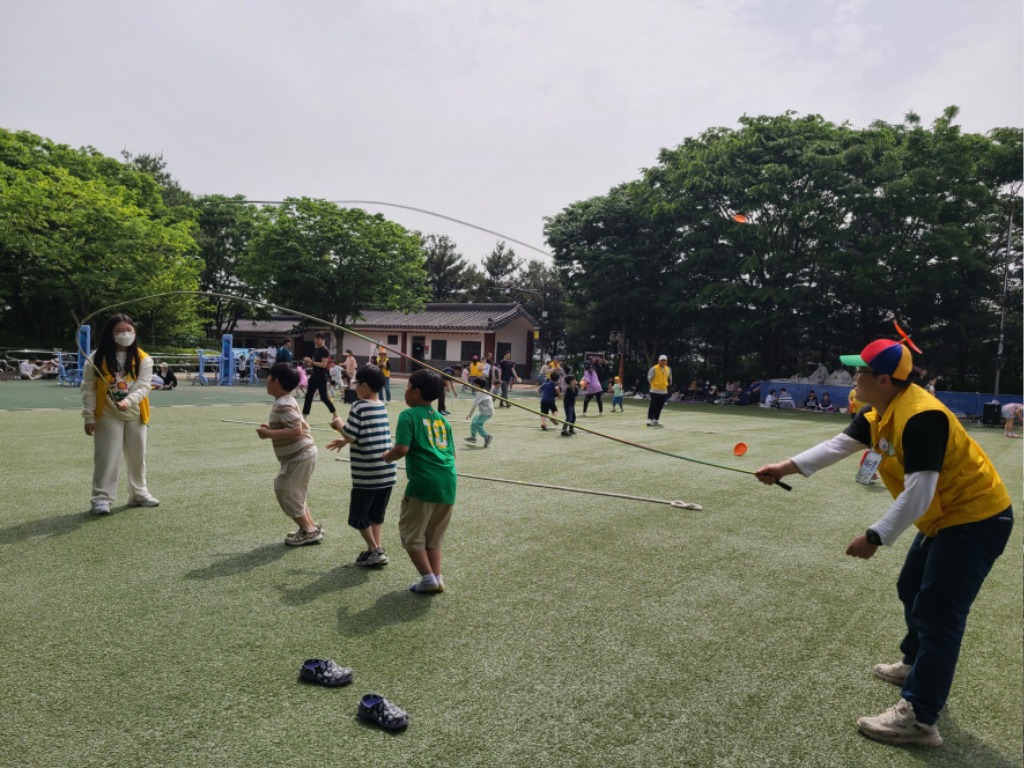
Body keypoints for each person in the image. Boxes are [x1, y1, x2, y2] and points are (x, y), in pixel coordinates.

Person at [755, 338, 1013, 748]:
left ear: (883, 379)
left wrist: (875, 536)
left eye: (859, 371)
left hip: (976, 520)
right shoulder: (880, 410)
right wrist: (785, 466)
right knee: (910, 588)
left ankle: (920, 718)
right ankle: (915, 665)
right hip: (947, 520)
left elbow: (919, 492)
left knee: (940, 614)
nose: (854, 378)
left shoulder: (921, 416)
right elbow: (840, 445)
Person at [382, 369, 457, 594]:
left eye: (407, 387)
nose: (405, 392)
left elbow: (401, 449)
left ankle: (428, 579)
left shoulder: (409, 415)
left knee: (411, 534)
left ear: (415, 392)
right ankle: (437, 577)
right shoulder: (443, 421)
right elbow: (452, 454)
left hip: (423, 484)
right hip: (448, 483)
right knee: (434, 535)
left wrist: (386, 456)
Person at [81, 314, 159, 515]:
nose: (125, 334)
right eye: (120, 331)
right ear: (110, 334)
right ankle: (101, 499)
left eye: (129, 331)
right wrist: (89, 416)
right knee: (107, 456)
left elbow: (143, 386)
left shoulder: (143, 358)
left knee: (137, 455)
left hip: (136, 414)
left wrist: (128, 401)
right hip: (107, 413)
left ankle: (138, 493)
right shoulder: (96, 358)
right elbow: (88, 389)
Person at [327, 364, 396, 566]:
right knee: (376, 515)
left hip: (368, 473)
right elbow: (365, 434)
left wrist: (338, 424)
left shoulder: (359, 406)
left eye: (356, 383)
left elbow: (351, 433)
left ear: (364, 386)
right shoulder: (380, 405)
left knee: (358, 517)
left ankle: (375, 550)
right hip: (386, 472)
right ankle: (375, 549)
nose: (354, 386)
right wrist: (345, 441)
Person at [256, 362, 323, 546]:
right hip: (302, 455)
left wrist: (269, 434)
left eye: (268, 377)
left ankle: (309, 531)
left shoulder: (283, 404)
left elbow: (297, 431)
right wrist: (272, 428)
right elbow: (301, 426)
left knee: (284, 489)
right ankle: (309, 527)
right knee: (296, 492)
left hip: (299, 456)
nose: (266, 380)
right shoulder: (287, 400)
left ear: (275, 381)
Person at [302, 332, 338, 420]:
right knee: (308, 396)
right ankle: (304, 416)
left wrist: (311, 362)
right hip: (314, 375)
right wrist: (309, 363)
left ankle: (335, 414)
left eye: (317, 339)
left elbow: (323, 365)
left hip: (321, 376)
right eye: (315, 339)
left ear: (322, 340)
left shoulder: (325, 350)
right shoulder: (316, 350)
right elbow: (314, 364)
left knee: (324, 397)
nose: (315, 340)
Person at [464, 376, 494, 447]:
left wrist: (469, 414)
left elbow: (474, 405)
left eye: (474, 384)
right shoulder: (482, 392)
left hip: (487, 412)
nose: (473, 385)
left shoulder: (481, 393)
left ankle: (487, 436)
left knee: (477, 423)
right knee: (474, 421)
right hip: (484, 411)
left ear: (477, 385)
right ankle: (473, 437)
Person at [646, 355, 672, 427]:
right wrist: (654, 385)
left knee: (660, 406)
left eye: (664, 360)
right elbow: (649, 378)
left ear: (666, 361)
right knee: (653, 405)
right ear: (659, 361)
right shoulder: (654, 368)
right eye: (662, 360)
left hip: (664, 391)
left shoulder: (668, 369)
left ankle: (656, 420)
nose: (663, 362)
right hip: (655, 390)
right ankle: (649, 419)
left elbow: (669, 376)